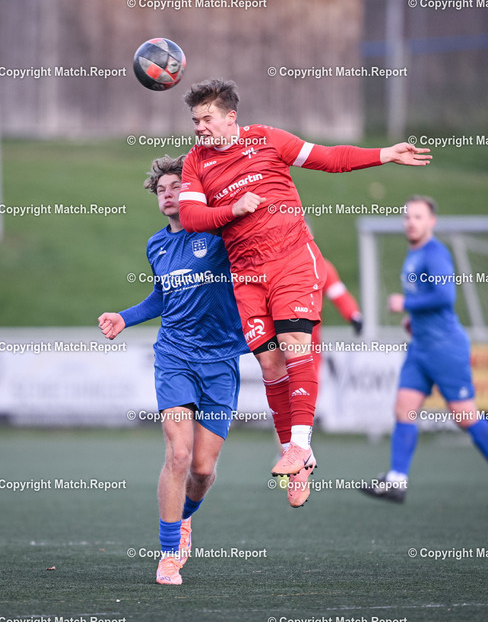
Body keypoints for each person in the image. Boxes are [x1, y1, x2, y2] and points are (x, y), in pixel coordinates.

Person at [178, 78, 431, 508]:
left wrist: (385, 154)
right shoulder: (195, 162)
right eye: (195, 120)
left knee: (295, 344)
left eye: (207, 118)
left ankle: (299, 444)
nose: (200, 127)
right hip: (245, 273)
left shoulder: (268, 139)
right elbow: (189, 216)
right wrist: (232, 210)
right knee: (270, 363)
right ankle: (297, 459)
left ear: (231, 116)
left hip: (292, 260)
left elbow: (329, 158)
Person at [98, 155, 249, 585]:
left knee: (201, 470)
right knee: (178, 454)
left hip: (220, 361)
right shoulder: (156, 245)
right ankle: (168, 555)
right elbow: (163, 296)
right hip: (174, 357)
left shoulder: (218, 234)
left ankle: (184, 517)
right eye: (161, 189)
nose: (167, 194)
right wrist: (124, 317)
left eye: (176, 187)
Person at [359, 195, 488, 507]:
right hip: (420, 347)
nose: (411, 222)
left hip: (446, 347)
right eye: (407, 217)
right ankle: (396, 480)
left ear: (432, 221)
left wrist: (405, 303)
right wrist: (414, 320)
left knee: (464, 415)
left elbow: (446, 296)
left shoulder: (435, 253)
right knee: (404, 408)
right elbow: (429, 299)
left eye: (418, 217)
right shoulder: (414, 253)